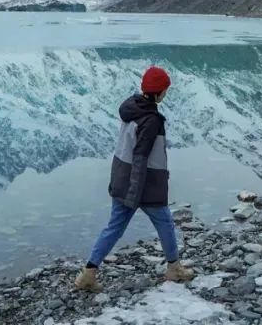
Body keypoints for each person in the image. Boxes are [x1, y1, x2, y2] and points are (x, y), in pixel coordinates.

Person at [74, 65, 194, 292]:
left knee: (114, 227)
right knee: (165, 222)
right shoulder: (151, 120)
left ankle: (88, 273)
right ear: (159, 92)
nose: (166, 94)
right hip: (143, 185)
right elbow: (140, 157)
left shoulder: (132, 109)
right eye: (165, 90)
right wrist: (134, 194)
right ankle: (174, 268)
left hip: (121, 177)